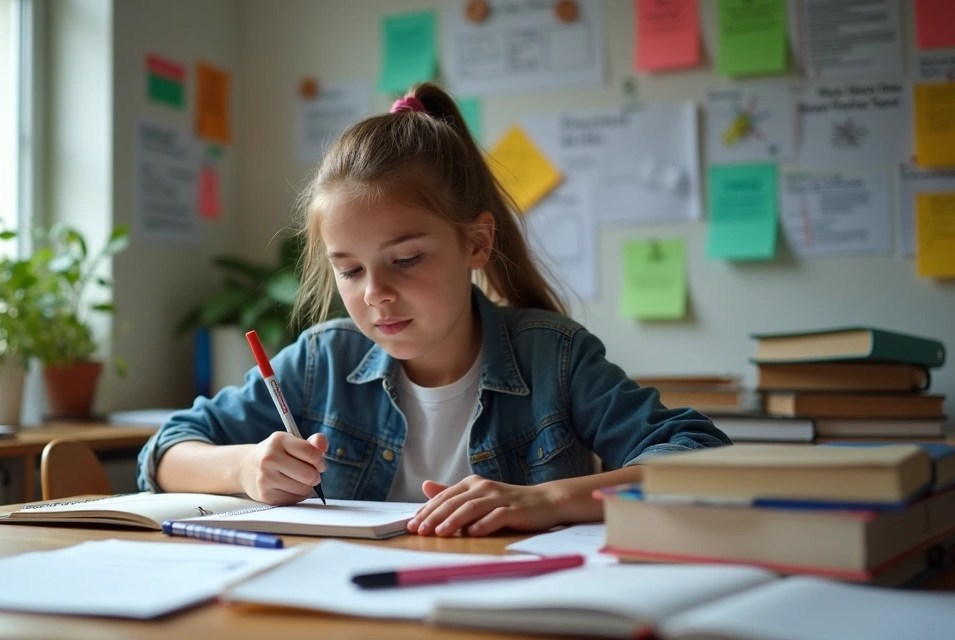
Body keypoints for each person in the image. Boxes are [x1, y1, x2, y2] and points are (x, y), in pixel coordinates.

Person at [137, 82, 730, 537]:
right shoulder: (323, 360)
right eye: (349, 270)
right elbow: (167, 450)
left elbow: (701, 460)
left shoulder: (554, 357)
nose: (375, 293)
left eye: (407, 259)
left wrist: (548, 499)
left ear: (475, 242)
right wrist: (244, 470)